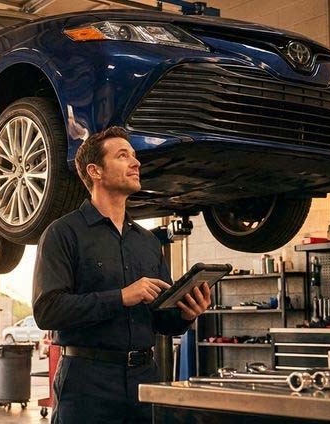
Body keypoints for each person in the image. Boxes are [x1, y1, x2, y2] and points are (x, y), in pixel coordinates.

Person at [32, 126, 212, 423]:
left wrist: (187, 313)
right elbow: (47, 311)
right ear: (95, 171)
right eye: (123, 155)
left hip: (146, 378)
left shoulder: (147, 242)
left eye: (135, 156)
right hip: (87, 383)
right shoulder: (63, 234)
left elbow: (161, 322)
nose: (136, 162)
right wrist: (121, 297)